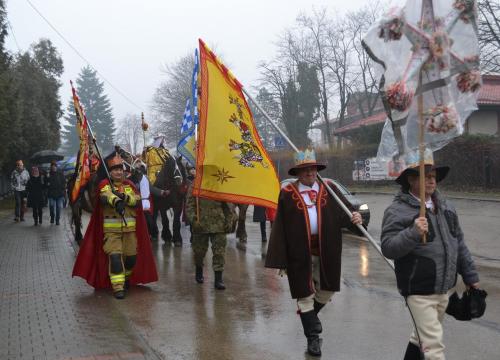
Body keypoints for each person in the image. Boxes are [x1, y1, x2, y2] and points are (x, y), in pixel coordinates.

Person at [380, 152, 481, 360]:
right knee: (433, 347)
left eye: (434, 176)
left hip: (445, 287)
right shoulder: (397, 210)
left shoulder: (446, 208)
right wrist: (413, 233)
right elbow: (389, 247)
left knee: (420, 339)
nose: (432, 180)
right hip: (419, 290)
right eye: (426, 176)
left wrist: (471, 278)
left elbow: (459, 244)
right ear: (411, 179)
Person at [265, 149, 363, 357]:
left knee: (327, 290)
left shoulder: (329, 189)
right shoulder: (288, 193)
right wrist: (280, 258)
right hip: (299, 252)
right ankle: (313, 337)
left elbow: (345, 214)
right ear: (298, 173)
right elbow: (280, 226)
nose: (310, 173)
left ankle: (308, 315)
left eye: (312, 169)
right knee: (304, 294)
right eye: (305, 170)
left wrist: (355, 218)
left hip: (327, 250)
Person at [72, 154, 158, 299]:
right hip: (111, 232)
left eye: (120, 169)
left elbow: (137, 200)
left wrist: (125, 198)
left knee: (131, 259)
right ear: (110, 172)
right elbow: (105, 196)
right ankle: (118, 287)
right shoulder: (105, 184)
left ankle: (125, 278)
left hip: (130, 231)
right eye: (115, 170)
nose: (119, 172)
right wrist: (115, 201)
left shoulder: (129, 185)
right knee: (116, 259)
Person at [186, 184, 237, 290]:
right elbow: (189, 206)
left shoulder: (219, 184)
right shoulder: (196, 184)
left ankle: (218, 279)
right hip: (200, 224)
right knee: (199, 252)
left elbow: (228, 205)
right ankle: (199, 268)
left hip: (219, 224)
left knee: (219, 252)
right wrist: (194, 220)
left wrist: (229, 220)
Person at [46, 160, 66, 225]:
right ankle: (52, 217)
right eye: (52, 166)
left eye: (55, 166)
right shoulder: (48, 174)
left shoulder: (60, 173)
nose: (54, 167)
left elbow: (64, 182)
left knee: (58, 207)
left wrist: (63, 191)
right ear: (51, 167)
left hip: (59, 193)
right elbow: (46, 184)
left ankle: (57, 220)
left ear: (56, 167)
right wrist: (47, 178)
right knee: (51, 206)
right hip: (51, 193)